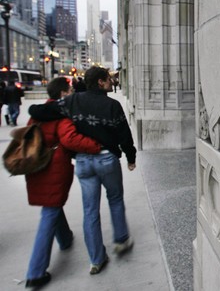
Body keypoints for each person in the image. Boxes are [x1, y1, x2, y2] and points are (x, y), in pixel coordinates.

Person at [29, 66, 137, 275]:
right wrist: (130, 157)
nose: (110, 82)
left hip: (84, 163)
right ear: (100, 82)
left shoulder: (72, 102)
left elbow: (38, 110)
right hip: (107, 159)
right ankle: (121, 239)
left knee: (90, 210)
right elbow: (124, 134)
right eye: (108, 79)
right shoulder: (112, 105)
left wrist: (41, 112)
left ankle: (96, 259)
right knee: (115, 199)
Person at [24, 77, 101, 288]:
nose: (72, 93)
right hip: (54, 169)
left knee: (52, 204)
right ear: (62, 94)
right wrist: (96, 145)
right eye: (69, 90)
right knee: (49, 211)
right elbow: (70, 139)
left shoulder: (38, 113)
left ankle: (65, 238)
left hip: (36, 168)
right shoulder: (61, 114)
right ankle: (35, 272)